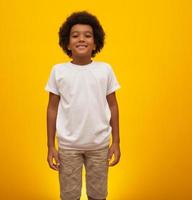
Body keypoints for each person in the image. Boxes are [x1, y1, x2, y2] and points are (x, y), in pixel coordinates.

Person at [45, 11, 121, 200]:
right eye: (75, 35)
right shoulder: (59, 71)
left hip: (99, 145)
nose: (81, 39)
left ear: (95, 43)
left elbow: (113, 106)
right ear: (67, 43)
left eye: (88, 35)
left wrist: (116, 142)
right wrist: (50, 146)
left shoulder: (105, 70)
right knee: (69, 195)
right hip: (68, 146)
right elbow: (52, 109)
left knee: (98, 194)